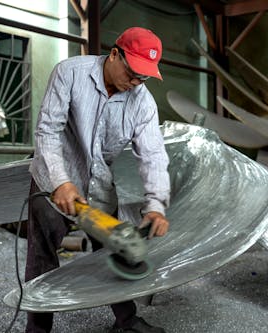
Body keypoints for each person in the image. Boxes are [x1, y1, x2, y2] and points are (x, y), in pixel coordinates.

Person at [25, 27, 171, 333]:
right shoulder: (70, 73)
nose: (136, 82)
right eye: (133, 73)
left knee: (117, 251)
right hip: (54, 178)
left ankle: (126, 322)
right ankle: (38, 330)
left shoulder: (142, 102)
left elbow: (153, 155)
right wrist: (61, 181)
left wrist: (156, 204)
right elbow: (47, 131)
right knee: (42, 258)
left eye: (144, 77)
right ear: (115, 54)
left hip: (100, 185)